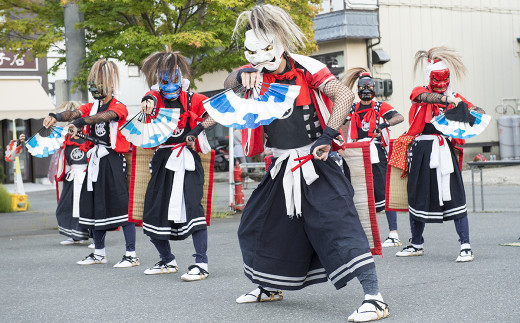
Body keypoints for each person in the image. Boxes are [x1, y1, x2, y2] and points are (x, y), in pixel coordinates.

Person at [188, 5, 389, 321]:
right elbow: (228, 91)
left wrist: (327, 136)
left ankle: (374, 297)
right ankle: (268, 286)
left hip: (316, 161)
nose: (257, 60)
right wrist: (201, 125)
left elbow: (344, 96)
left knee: (338, 225)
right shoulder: (251, 75)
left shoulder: (306, 67)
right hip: (279, 166)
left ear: (278, 45)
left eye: (264, 51)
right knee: (256, 225)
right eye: (251, 54)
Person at [43, 59, 138, 267]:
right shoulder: (91, 106)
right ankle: (99, 252)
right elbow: (74, 113)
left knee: (122, 207)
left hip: (113, 161)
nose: (95, 88)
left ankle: (131, 254)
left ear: (110, 85)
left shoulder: (118, 106)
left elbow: (104, 117)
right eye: (93, 83)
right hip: (94, 160)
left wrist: (80, 121)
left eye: (99, 83)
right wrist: (55, 116)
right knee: (93, 205)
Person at [392, 46, 484, 262]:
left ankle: (466, 245)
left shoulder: (456, 97)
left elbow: (477, 112)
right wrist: (447, 101)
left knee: (455, 195)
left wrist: (471, 111)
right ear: (430, 76)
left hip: (445, 151)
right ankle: (416, 243)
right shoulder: (419, 92)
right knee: (417, 195)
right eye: (437, 79)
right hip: (422, 150)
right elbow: (424, 96)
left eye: (445, 79)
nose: (442, 85)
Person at [139, 51, 211, 281]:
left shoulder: (194, 99)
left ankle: (201, 263)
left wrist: (196, 130)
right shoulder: (155, 97)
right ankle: (168, 260)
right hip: (162, 161)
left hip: (188, 159)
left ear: (181, 76)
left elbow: (215, 115)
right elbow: (149, 97)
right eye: (163, 80)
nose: (169, 84)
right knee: (152, 211)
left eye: (173, 78)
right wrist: (148, 100)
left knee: (193, 208)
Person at [342, 68, 404, 247]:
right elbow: (339, 122)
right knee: (357, 193)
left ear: (374, 88)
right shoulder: (352, 107)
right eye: (363, 86)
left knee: (384, 192)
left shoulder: (380, 106)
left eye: (370, 85)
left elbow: (399, 117)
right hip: (356, 152)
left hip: (375, 151)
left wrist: (383, 124)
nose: (366, 89)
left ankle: (393, 233)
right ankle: (362, 235)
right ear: (358, 89)